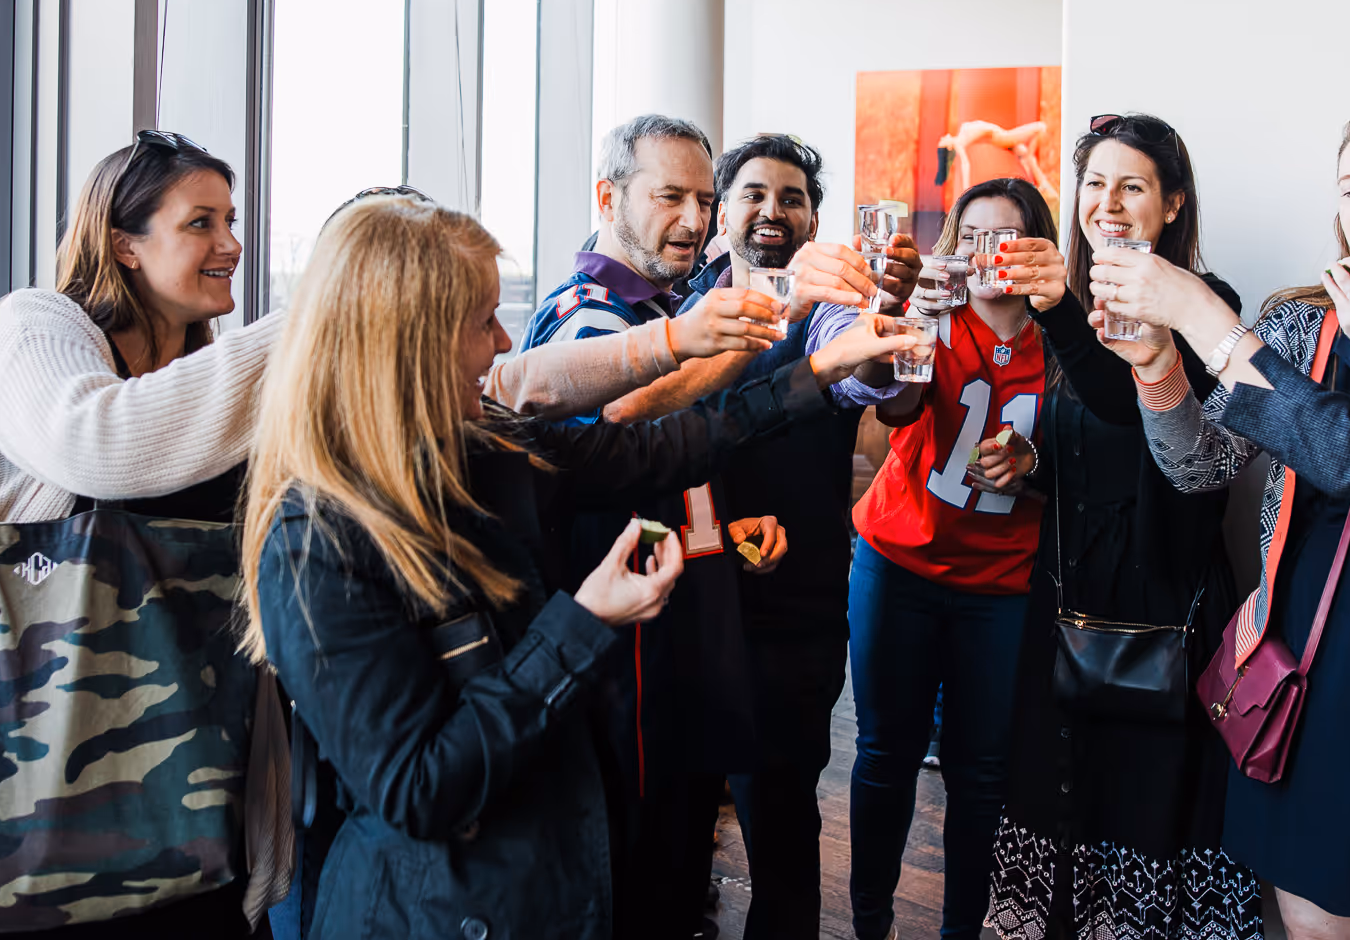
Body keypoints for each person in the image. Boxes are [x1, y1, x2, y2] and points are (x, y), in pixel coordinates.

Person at [238, 194, 913, 940]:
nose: (502, 343)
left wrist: (819, 369)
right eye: (480, 321)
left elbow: (668, 447)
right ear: (410, 342)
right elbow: (420, 788)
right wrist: (587, 620)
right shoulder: (314, 540)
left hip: (545, 881)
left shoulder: (482, 449)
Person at [1088, 101, 1350, 938]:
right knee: (1313, 923)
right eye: (1347, 188)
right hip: (1312, 662)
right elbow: (1201, 466)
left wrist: (1207, 324)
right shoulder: (1301, 321)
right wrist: (1159, 367)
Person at [0, 132, 285, 938]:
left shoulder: (219, 383)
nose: (232, 245)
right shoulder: (32, 326)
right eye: (201, 223)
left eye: (233, 221)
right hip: (41, 818)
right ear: (123, 243)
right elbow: (98, 446)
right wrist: (306, 319)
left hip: (199, 814)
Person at [520, 114, 798, 939]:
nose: (695, 219)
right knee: (643, 870)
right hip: (625, 655)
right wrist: (787, 321)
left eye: (704, 200)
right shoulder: (592, 313)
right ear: (609, 197)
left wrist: (722, 528)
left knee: (681, 864)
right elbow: (623, 426)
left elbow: (665, 465)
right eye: (669, 196)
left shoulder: (664, 303)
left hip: (678, 628)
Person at [983, 115, 1257, 939]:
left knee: (1149, 812)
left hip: (1165, 604)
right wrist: (1033, 464)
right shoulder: (1071, 303)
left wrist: (1059, 309)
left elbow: (1130, 407)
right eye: (1095, 184)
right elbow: (1094, 445)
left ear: (1172, 203)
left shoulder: (1212, 309)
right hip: (1069, 599)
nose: (1107, 202)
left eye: (1131, 185)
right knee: (1061, 802)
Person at [675, 134, 923, 940]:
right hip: (683, 606)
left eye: (791, 197)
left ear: (815, 219)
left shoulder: (832, 317)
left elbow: (867, 377)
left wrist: (880, 336)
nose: (772, 211)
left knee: (783, 839)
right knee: (674, 840)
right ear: (722, 213)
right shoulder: (680, 310)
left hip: (793, 616)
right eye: (753, 194)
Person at [847, 178, 1050, 940]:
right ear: (952, 245)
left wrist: (1038, 459)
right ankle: (870, 923)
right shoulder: (936, 315)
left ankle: (962, 929)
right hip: (898, 562)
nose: (988, 252)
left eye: (1008, 236)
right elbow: (894, 410)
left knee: (981, 775)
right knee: (884, 754)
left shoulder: (1061, 343)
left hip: (1000, 585)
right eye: (972, 235)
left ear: (1037, 248)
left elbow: (1093, 453)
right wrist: (914, 328)